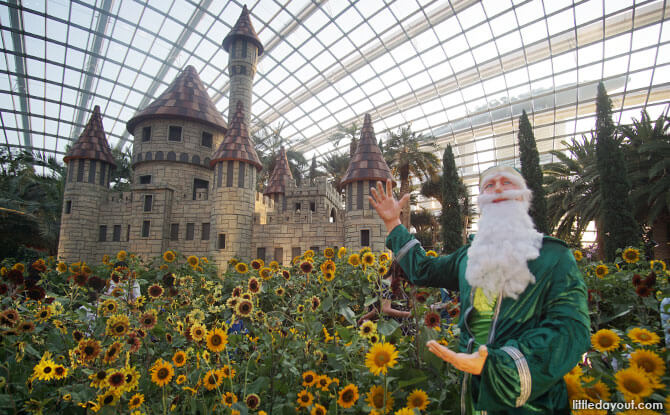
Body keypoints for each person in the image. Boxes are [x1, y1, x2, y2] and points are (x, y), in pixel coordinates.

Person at [369, 166, 590, 414]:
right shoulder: (469, 256)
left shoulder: (553, 257)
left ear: (522, 196)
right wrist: (393, 223)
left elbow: (572, 331)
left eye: (506, 182)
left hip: (530, 401)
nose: (496, 187)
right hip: (473, 395)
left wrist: (499, 366)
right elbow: (424, 270)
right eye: (488, 185)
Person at [358, 261, 415, 335]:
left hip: (401, 326)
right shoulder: (386, 284)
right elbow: (385, 309)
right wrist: (409, 314)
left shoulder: (399, 283)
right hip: (391, 328)